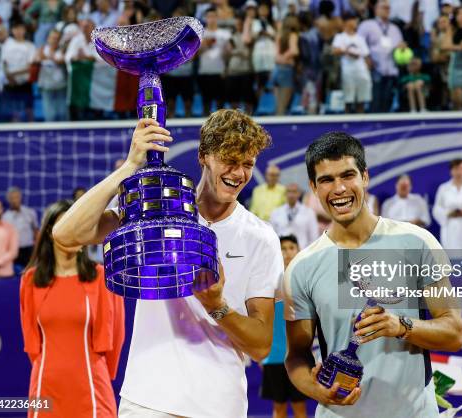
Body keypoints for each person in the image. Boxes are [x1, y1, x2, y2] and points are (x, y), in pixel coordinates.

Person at [53, 109, 283, 418]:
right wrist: (130, 165)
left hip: (220, 405)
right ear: (204, 156)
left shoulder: (261, 237)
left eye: (248, 164)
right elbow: (66, 234)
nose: (238, 173)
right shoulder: (157, 209)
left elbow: (261, 347)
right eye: (230, 160)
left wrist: (217, 305)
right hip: (147, 399)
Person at [283, 131, 462, 418]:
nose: (339, 188)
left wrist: (401, 326)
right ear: (313, 188)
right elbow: (296, 356)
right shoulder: (301, 268)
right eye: (327, 180)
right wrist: (318, 390)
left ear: (364, 177)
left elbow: (454, 333)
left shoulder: (417, 242)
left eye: (347, 175)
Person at [20, 199, 125, 418]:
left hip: (92, 387)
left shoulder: (101, 277)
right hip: (46, 389)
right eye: (69, 225)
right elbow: (32, 344)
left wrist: (102, 375)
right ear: (51, 232)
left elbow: (116, 338)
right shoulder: (30, 281)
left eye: (82, 226)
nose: (77, 232)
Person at [261, 235, 308, 418]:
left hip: (299, 356)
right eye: (283, 248)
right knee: (278, 407)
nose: (287, 252)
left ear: (298, 250)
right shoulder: (268, 281)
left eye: (291, 247)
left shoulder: (306, 280)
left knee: (300, 407)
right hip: (274, 356)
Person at [357, 0, 404, 113]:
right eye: (384, 7)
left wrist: (402, 48)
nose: (387, 10)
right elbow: (358, 43)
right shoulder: (367, 25)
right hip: (374, 69)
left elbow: (399, 46)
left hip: (391, 69)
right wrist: (366, 59)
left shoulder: (394, 28)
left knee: (388, 102)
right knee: (375, 102)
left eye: (388, 8)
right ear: (376, 9)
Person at [332, 12, 371, 114]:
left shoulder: (360, 38)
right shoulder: (340, 37)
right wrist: (348, 52)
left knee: (361, 100)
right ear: (346, 22)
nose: (355, 22)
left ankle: (361, 121)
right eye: (353, 20)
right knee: (348, 99)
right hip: (348, 72)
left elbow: (366, 55)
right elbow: (335, 51)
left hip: (361, 71)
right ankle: (347, 122)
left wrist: (368, 69)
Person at [0, 20, 36, 122]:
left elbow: (30, 66)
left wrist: (13, 74)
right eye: (16, 29)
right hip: (9, 84)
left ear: (24, 30)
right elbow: (3, 63)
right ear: (12, 30)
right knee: (12, 112)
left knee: (29, 110)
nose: (18, 31)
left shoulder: (30, 46)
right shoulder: (7, 44)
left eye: (21, 29)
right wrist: (9, 77)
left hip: (25, 84)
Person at [197, 7, 231, 116]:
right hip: (204, 71)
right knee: (206, 102)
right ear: (206, 18)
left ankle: (220, 127)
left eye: (213, 16)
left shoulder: (225, 34)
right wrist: (206, 44)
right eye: (209, 17)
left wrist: (227, 52)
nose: (211, 19)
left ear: (217, 18)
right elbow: (194, 55)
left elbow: (229, 54)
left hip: (220, 71)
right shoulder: (200, 34)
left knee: (220, 103)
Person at [270, 183, 320, 249]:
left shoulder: (309, 212)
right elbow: (272, 235)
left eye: (294, 192)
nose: (291, 195)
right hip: (282, 252)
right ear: (285, 194)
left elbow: (314, 236)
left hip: (302, 252)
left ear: (299, 194)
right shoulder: (276, 212)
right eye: (289, 191)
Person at [34, 29, 68, 122]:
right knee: (49, 114)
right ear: (48, 39)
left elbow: (63, 61)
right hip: (46, 85)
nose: (54, 40)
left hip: (61, 85)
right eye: (52, 38)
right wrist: (42, 57)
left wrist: (49, 57)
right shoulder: (42, 49)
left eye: (57, 38)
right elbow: (36, 60)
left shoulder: (63, 50)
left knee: (62, 113)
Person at [225, 12, 255, 114]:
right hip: (233, 71)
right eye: (236, 24)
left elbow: (247, 52)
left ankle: (249, 118)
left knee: (248, 98)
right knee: (234, 98)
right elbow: (228, 52)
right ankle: (235, 119)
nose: (238, 26)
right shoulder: (231, 36)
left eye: (240, 24)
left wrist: (236, 52)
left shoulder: (249, 35)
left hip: (246, 71)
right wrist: (238, 52)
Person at [2, 187, 38, 268]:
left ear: (20, 198)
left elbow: (36, 231)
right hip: (13, 250)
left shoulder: (30, 212)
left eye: (16, 197)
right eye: (12, 198)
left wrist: (37, 249)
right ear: (8, 200)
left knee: (31, 272)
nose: (15, 200)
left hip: (29, 249)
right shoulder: (5, 217)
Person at [274, 15, 300, 115]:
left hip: (277, 69)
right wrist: (285, 58)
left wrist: (280, 59)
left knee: (278, 103)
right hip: (287, 70)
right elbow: (294, 50)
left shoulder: (279, 35)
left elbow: (276, 55)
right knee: (284, 104)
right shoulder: (293, 35)